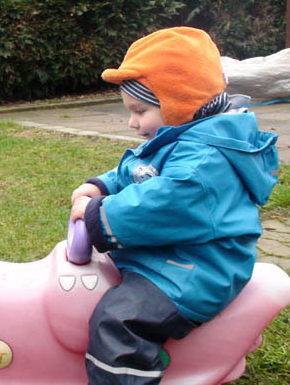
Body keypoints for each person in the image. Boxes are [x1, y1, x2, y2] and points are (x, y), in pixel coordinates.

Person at [69, 27, 278, 384]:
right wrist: (102, 184)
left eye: (140, 111)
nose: (133, 123)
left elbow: (160, 202)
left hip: (199, 269)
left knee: (119, 321)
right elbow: (143, 172)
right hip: (182, 253)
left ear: (180, 103)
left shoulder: (202, 163)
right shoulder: (186, 135)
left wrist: (97, 215)